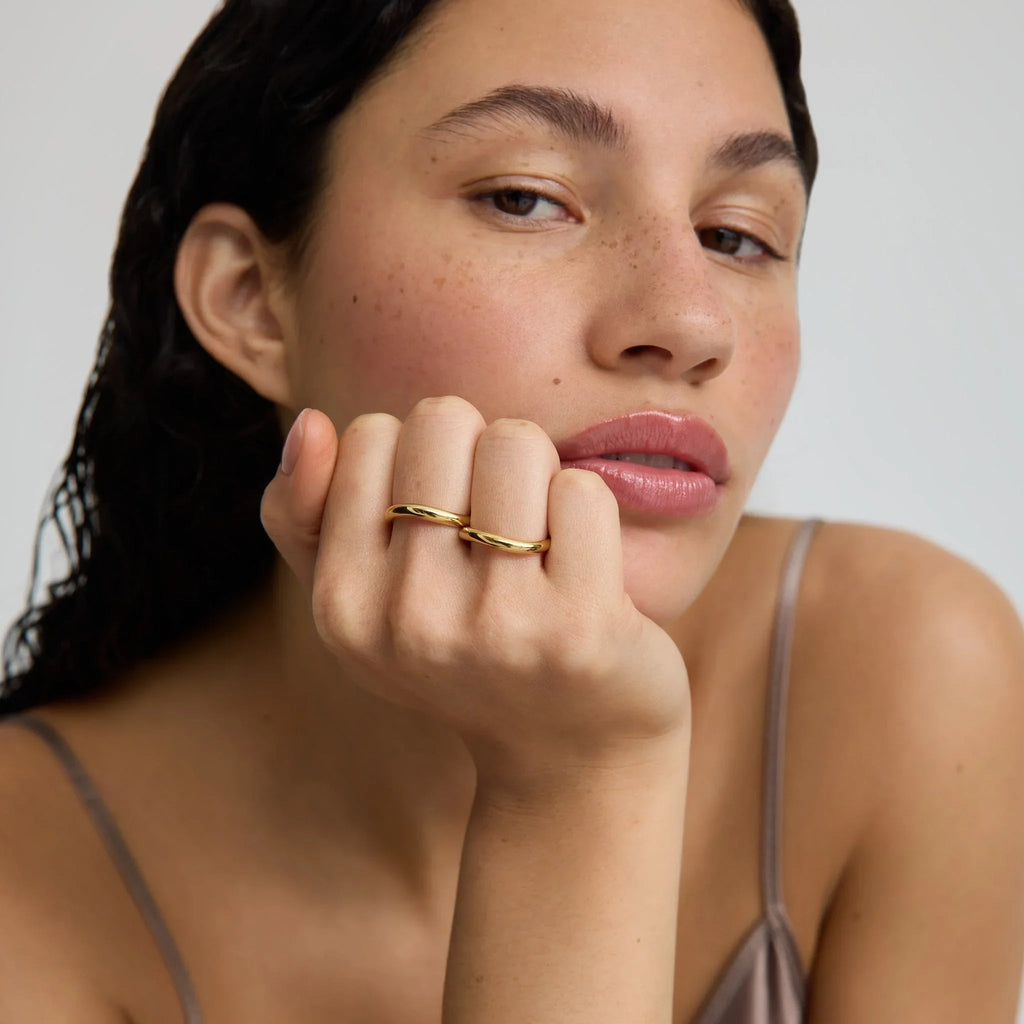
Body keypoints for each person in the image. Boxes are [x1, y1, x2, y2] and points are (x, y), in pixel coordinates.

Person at [1, 0, 1022, 1021]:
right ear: (249, 299)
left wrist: (580, 770)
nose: (686, 320)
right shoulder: (28, 884)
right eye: (528, 199)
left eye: (735, 234)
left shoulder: (909, 678)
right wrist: (575, 778)